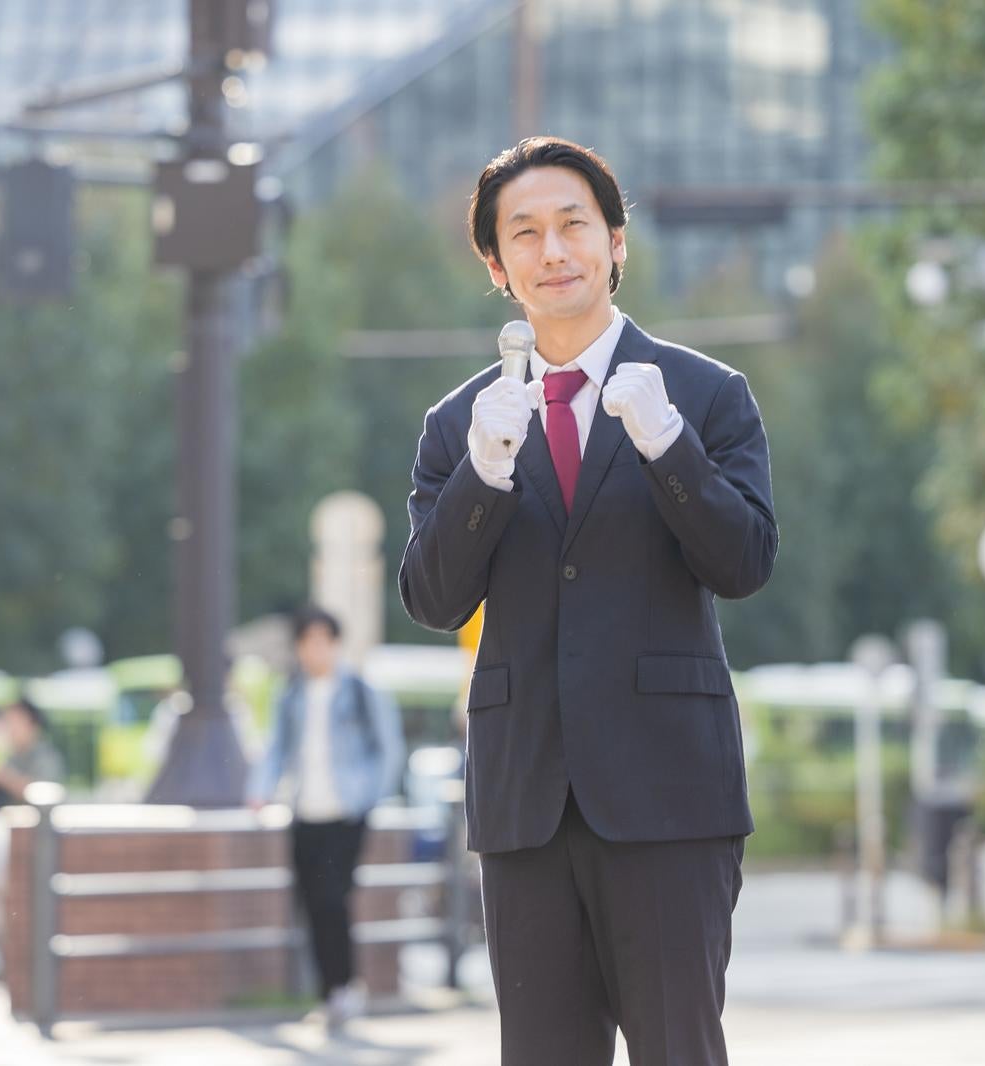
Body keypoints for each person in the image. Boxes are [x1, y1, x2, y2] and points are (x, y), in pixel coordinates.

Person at [399, 137, 776, 1065]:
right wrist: (481, 477)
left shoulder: (705, 393)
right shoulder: (460, 423)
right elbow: (433, 597)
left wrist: (669, 447)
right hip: (526, 800)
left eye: (573, 224)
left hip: (668, 796)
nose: (552, 250)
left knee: (678, 1050)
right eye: (522, 234)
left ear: (615, 240)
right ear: (496, 265)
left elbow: (745, 562)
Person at [247, 606, 405, 1028]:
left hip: (346, 813)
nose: (315, 650)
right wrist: (260, 791)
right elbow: (276, 746)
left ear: (335, 644)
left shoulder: (358, 689)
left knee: (333, 900)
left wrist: (370, 797)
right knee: (311, 904)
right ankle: (329, 991)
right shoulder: (291, 692)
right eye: (307, 641)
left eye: (322, 640)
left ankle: (346, 987)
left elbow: (388, 749)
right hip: (304, 812)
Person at [0, 696, 64, 811]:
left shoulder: (46, 757)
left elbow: (43, 795)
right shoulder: (8, 757)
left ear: (32, 724)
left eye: (14, 721)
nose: (9, 728)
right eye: (6, 721)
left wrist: (3, 776)